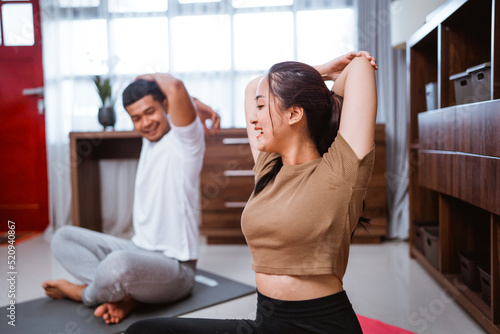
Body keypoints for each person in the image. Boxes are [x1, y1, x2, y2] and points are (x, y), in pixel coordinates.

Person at [124, 50, 378, 334]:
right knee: (143, 331)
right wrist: (322, 70)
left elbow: (359, 67)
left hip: (321, 326)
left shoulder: (340, 170)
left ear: (294, 113)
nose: (253, 118)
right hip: (266, 325)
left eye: (261, 107)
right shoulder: (269, 169)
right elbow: (250, 88)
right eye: (255, 109)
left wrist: (317, 79)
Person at [42, 73, 220, 324]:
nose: (146, 123)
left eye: (150, 112)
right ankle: (121, 296)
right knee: (62, 238)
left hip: (176, 270)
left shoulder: (185, 143)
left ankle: (84, 293)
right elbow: (161, 91)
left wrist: (192, 103)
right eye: (136, 118)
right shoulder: (150, 140)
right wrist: (197, 103)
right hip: (139, 251)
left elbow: (175, 87)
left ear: (166, 107)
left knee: (118, 265)